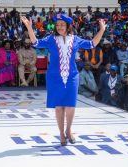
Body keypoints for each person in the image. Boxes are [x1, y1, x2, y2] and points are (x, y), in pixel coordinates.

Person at [20, 14, 106, 145]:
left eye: (62, 24)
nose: (59, 27)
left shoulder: (75, 39)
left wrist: (102, 30)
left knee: (71, 106)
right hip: (54, 76)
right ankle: (61, 133)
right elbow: (36, 43)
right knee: (59, 107)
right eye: (57, 24)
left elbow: (92, 43)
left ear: (68, 26)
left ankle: (68, 130)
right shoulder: (51, 39)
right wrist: (29, 27)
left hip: (72, 76)